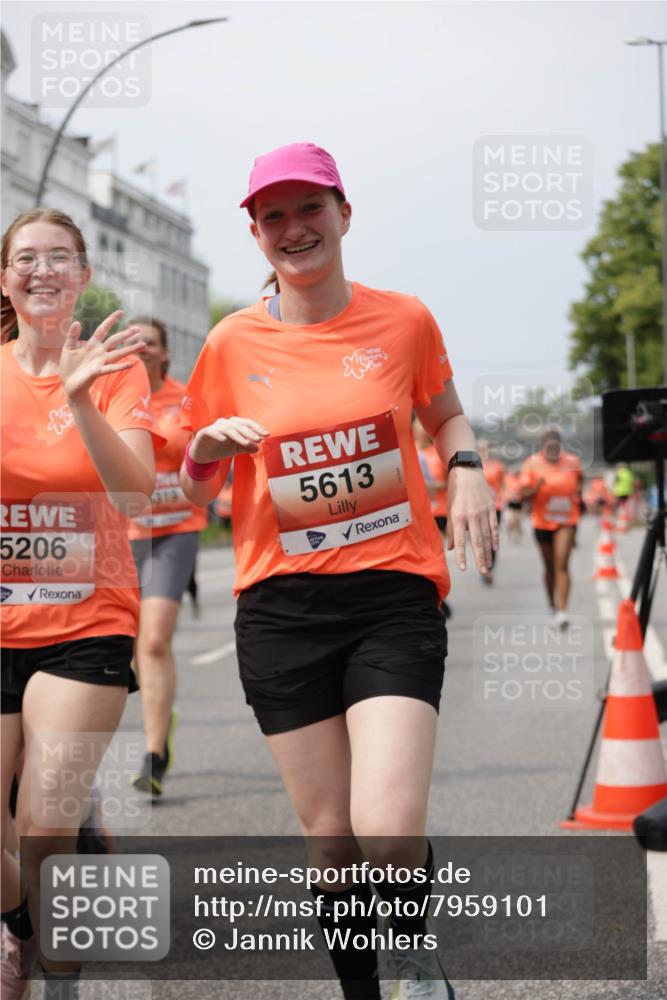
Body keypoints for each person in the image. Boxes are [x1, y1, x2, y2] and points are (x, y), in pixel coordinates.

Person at [179, 143, 497, 1000]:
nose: (293, 229)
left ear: (343, 214)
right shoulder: (229, 343)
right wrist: (205, 450)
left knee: (385, 829)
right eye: (272, 216)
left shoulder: (404, 321)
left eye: (308, 209)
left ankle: (413, 942)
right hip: (279, 612)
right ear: (255, 234)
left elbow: (447, 416)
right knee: (331, 838)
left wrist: (465, 471)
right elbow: (195, 479)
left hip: (390, 595)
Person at [0, 209, 162, 999]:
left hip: (84, 622)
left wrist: (82, 400)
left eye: (59, 257)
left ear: (83, 276)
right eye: (24, 257)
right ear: (5, 279)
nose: (41, 269)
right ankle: (21, 926)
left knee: (42, 822)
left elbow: (135, 490)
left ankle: (57, 981)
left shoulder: (116, 367)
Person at [126, 318, 207, 797]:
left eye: (149, 342)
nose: (140, 348)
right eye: (132, 341)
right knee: (127, 649)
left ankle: (154, 753)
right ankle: (160, 712)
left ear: (164, 352)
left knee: (153, 640)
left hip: (176, 530)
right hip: (123, 534)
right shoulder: (107, 396)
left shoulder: (185, 398)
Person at [519, 429, 582, 628]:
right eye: (549, 447)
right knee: (549, 567)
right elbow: (523, 494)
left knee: (561, 563)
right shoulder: (531, 464)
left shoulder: (572, 462)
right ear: (543, 447)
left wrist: (578, 494)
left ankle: (563, 610)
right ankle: (551, 604)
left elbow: (580, 479)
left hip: (567, 520)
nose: (553, 450)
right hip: (542, 521)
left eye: (556, 446)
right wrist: (536, 487)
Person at [413, 418, 452, 618]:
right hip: (416, 513)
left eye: (423, 426)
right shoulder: (407, 450)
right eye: (417, 427)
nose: (421, 430)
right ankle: (434, 598)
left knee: (435, 555)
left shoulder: (438, 453)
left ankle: (438, 597)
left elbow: (448, 484)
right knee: (421, 556)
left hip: (439, 511)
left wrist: (432, 486)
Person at [477, 440, 505, 584]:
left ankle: (490, 567)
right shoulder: (472, 465)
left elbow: (503, 485)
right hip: (478, 507)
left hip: (495, 506)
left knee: (492, 537)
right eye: (480, 448)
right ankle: (483, 568)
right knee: (481, 538)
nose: (484, 451)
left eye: (486, 448)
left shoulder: (497, 466)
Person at [502, 466, 524, 542]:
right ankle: (509, 534)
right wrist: (508, 495)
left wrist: (519, 495)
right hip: (509, 503)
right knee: (510, 520)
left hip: (518, 504)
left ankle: (517, 534)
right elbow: (504, 488)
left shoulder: (521, 479)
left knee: (517, 521)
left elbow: (524, 491)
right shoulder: (507, 478)